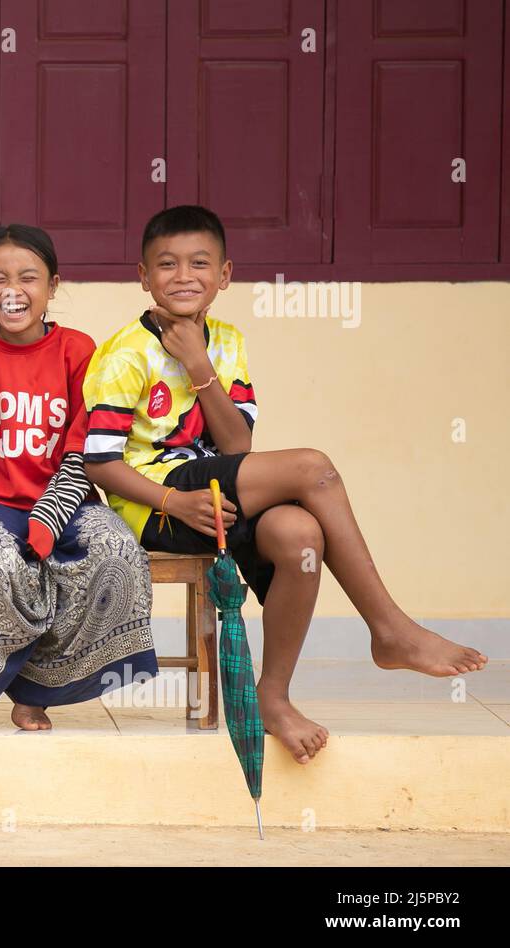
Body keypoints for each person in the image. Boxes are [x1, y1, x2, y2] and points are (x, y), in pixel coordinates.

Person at [82, 204, 488, 764]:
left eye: (200, 263)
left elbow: (236, 447)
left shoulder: (225, 341)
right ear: (143, 276)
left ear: (224, 275)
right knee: (312, 468)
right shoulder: (124, 353)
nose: (183, 276)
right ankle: (391, 628)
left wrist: (200, 366)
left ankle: (273, 698)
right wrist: (175, 501)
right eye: (167, 264)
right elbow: (99, 463)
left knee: (300, 535)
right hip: (160, 502)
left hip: (219, 487)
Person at [0, 223, 157, 728]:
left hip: (69, 497)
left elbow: (85, 449)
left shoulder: (78, 350)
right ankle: (5, 679)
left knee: (116, 548)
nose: (13, 291)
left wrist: (49, 519)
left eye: (28, 277)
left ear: (52, 286)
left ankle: (39, 689)